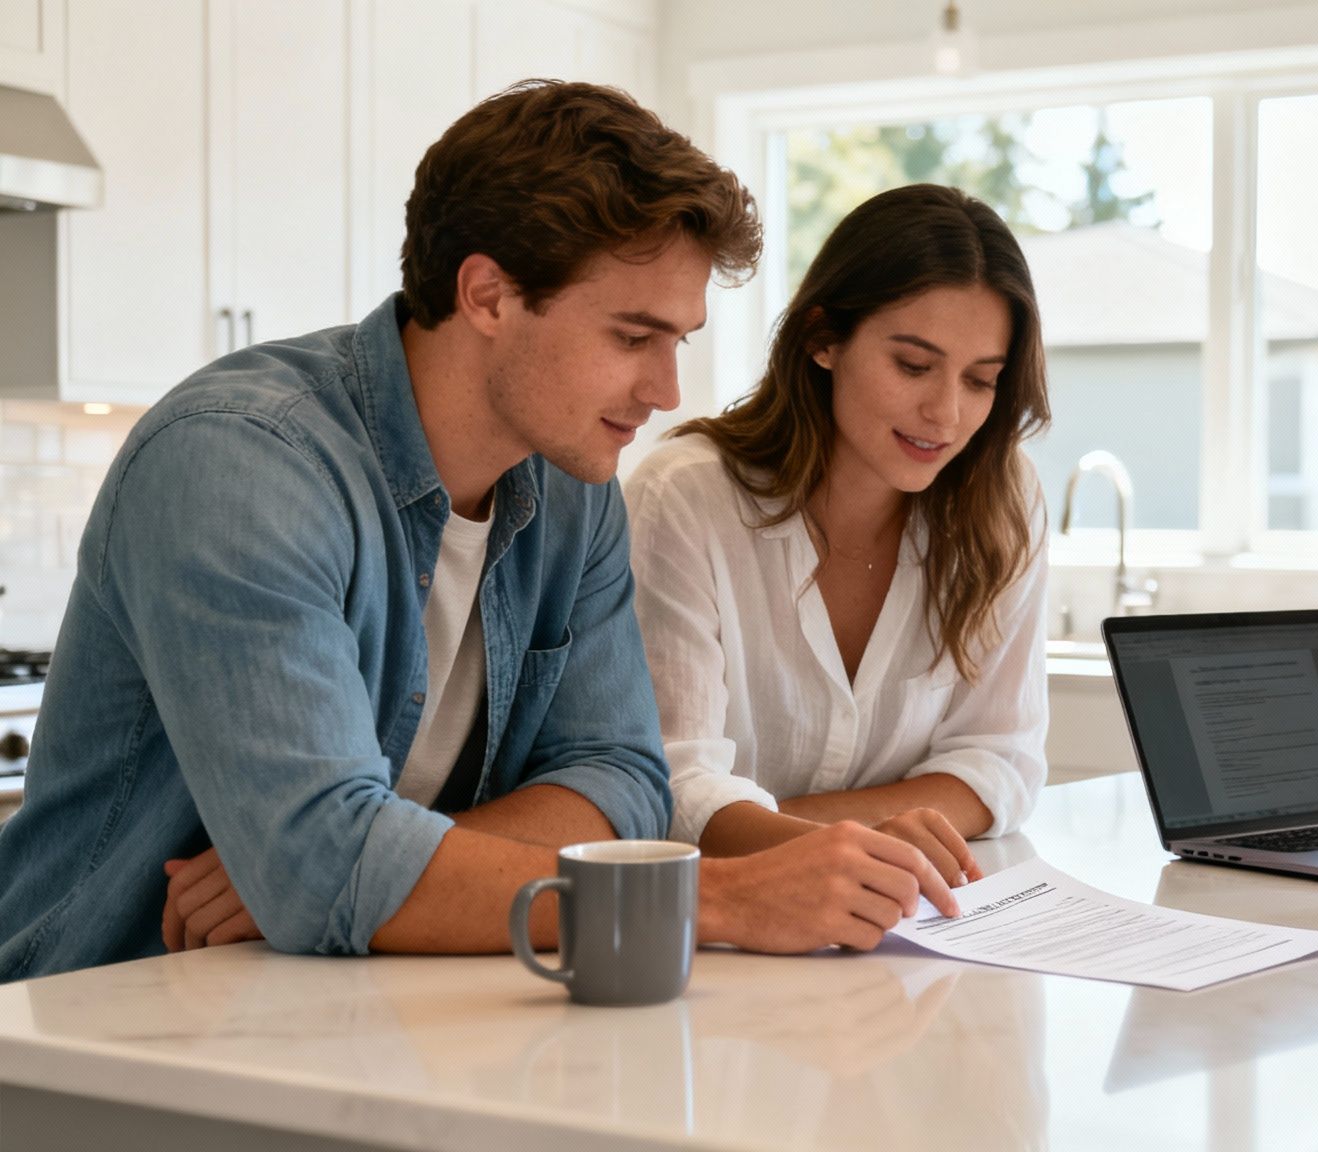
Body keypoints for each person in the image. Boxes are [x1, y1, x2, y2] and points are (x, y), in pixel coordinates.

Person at [0, 81, 960, 983]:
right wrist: (724, 897)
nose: (665, 392)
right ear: (488, 294)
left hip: (337, 1003)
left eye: (680, 342)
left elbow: (625, 782)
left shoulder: (570, 481)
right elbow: (324, 864)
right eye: (633, 337)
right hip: (102, 1017)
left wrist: (371, 854)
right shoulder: (241, 462)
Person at [624, 184, 1051, 884]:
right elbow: (671, 784)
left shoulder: (1004, 498)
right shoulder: (685, 498)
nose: (945, 413)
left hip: (905, 919)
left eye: (981, 380)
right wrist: (865, 834)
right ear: (823, 339)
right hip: (727, 928)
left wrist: (821, 832)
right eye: (913, 365)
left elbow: (1000, 757)